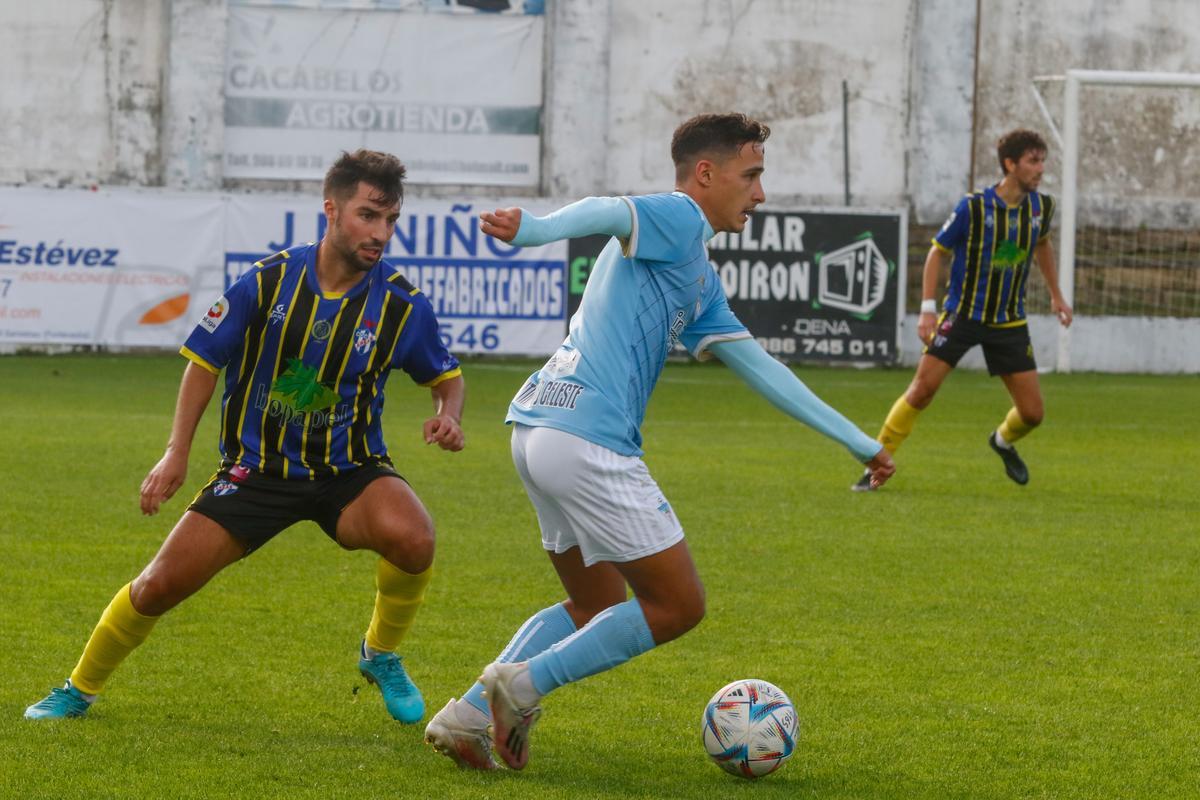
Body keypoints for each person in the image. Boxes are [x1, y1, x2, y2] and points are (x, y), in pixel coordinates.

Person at [421, 112, 894, 771]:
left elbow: (763, 368)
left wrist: (858, 440)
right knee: (676, 605)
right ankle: (519, 690)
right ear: (706, 174)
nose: (760, 193)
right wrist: (533, 230)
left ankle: (470, 712)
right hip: (588, 441)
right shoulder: (678, 216)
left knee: (593, 602)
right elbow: (607, 210)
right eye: (751, 175)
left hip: (537, 428)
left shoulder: (697, 276)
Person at [24, 149, 465, 723]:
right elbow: (204, 361)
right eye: (367, 216)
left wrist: (448, 414)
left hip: (348, 473)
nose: (380, 233)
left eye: (390, 221)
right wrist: (175, 453)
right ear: (330, 210)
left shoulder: (402, 305)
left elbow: (447, 378)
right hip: (255, 473)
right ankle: (77, 689)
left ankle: (379, 653)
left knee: (415, 538)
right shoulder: (268, 281)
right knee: (158, 586)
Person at [852, 128, 1073, 492]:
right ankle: (875, 464)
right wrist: (927, 310)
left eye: (1043, 160)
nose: (1041, 169)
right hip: (962, 316)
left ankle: (1001, 441)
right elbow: (938, 251)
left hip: (1008, 322)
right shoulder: (973, 206)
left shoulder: (1041, 207)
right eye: (1034, 161)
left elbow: (1042, 245)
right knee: (921, 391)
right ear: (1010, 164)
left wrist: (1056, 295)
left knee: (1033, 414)